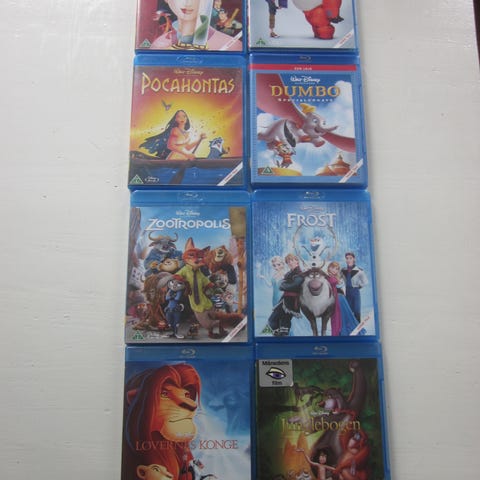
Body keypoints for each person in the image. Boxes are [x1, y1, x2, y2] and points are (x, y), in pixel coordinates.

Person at [140, 110, 205, 160]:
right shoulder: (175, 130)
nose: (182, 118)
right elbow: (170, 145)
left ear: (187, 119)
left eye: (184, 116)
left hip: (184, 159)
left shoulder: (187, 133)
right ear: (176, 119)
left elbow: (187, 147)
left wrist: (199, 139)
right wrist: (186, 153)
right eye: (179, 116)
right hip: (174, 159)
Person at [266, 253, 303, 336]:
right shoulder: (289, 273)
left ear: (297, 261)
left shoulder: (299, 273)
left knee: (283, 322)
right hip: (283, 299)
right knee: (273, 320)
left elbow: (294, 285)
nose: (290, 263)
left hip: (291, 301)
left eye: (292, 260)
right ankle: (278, 338)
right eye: (288, 262)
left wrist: (283, 285)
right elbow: (286, 284)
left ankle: (282, 339)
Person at [326, 261, 363, 336]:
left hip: (341, 298)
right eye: (333, 268)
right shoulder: (328, 277)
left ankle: (347, 332)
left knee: (347, 315)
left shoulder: (335, 277)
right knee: (339, 317)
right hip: (336, 299)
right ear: (329, 267)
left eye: (336, 269)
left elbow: (340, 285)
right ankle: (340, 333)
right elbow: (333, 285)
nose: (334, 270)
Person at [341, 252, 368, 323]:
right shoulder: (343, 270)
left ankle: (358, 326)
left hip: (355, 291)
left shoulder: (359, 270)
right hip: (347, 292)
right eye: (347, 258)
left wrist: (358, 287)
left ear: (354, 259)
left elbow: (365, 282)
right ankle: (349, 326)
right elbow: (338, 278)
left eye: (350, 258)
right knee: (348, 310)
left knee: (356, 310)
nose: (348, 260)